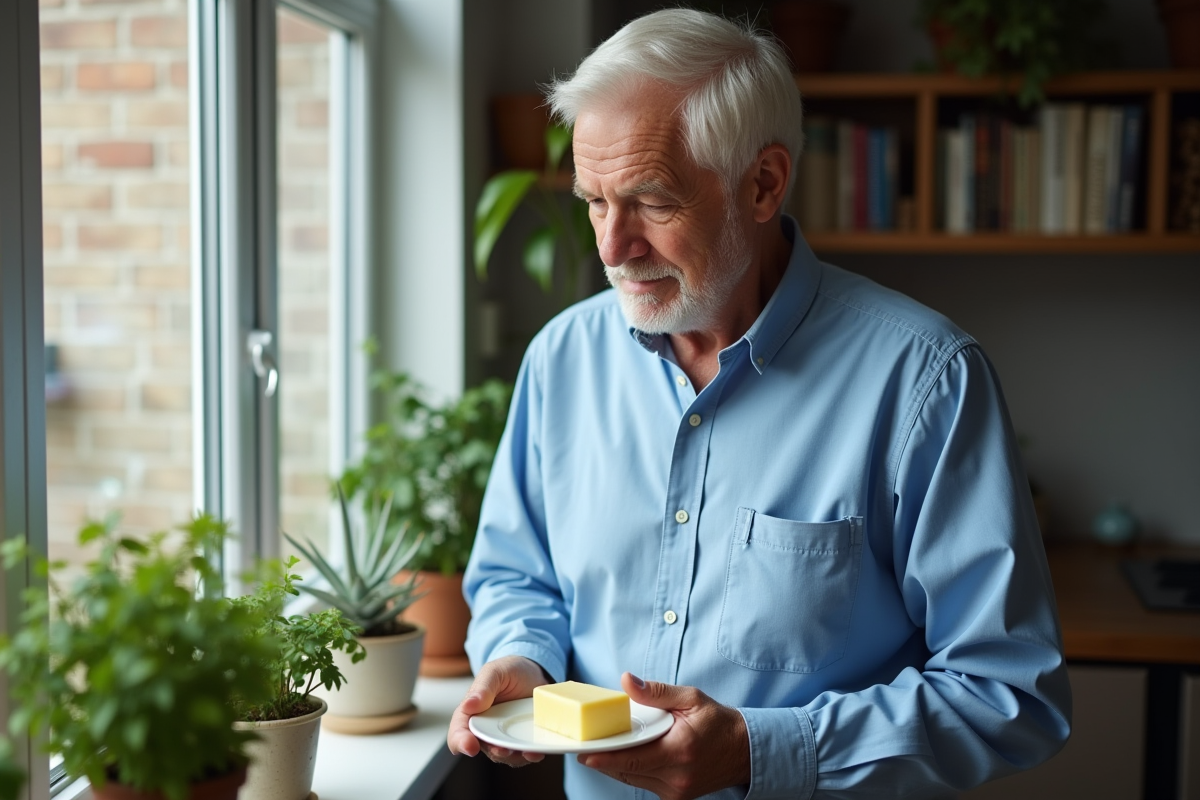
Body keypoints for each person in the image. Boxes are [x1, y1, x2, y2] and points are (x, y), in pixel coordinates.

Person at [447, 8, 1071, 800]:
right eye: (595, 202)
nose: (612, 248)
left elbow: (1011, 693)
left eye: (651, 201)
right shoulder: (562, 360)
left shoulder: (926, 380)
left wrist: (757, 751)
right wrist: (520, 657)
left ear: (763, 184)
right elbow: (516, 575)